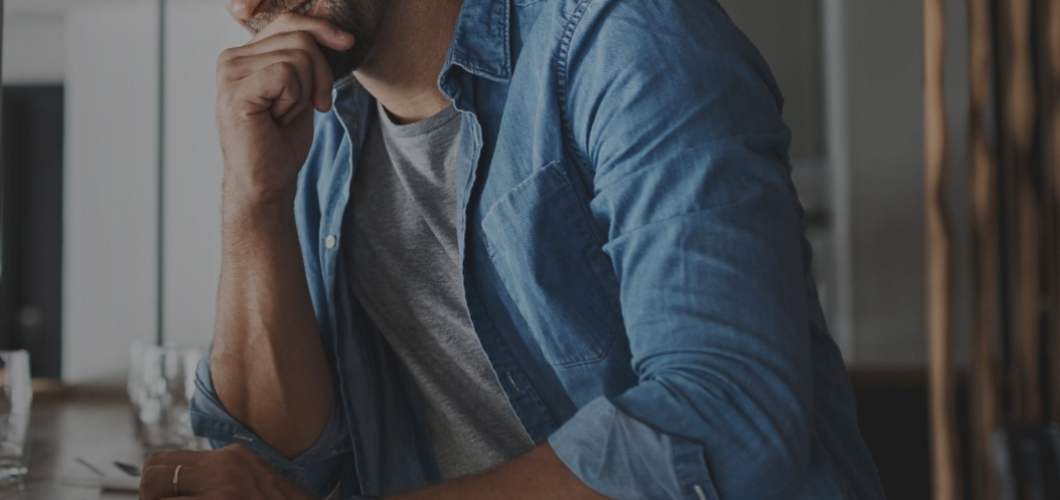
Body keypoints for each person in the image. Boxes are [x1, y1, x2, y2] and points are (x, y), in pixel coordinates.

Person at [138, 0, 885, 499]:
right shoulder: (320, 123)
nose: (243, 7)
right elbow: (276, 464)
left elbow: (730, 414)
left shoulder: (627, 40)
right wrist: (253, 198)